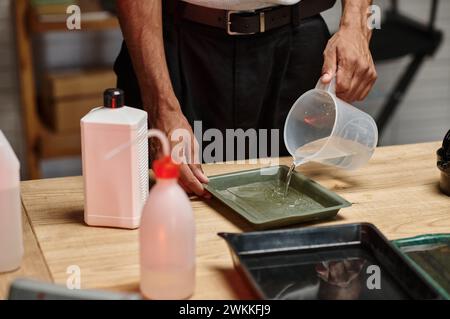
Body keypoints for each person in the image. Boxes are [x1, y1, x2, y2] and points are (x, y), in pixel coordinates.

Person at [114, 0, 377, 198]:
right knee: (172, 202)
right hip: (175, 47)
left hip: (298, 45)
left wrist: (356, 25)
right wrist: (161, 107)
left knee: (306, 206)